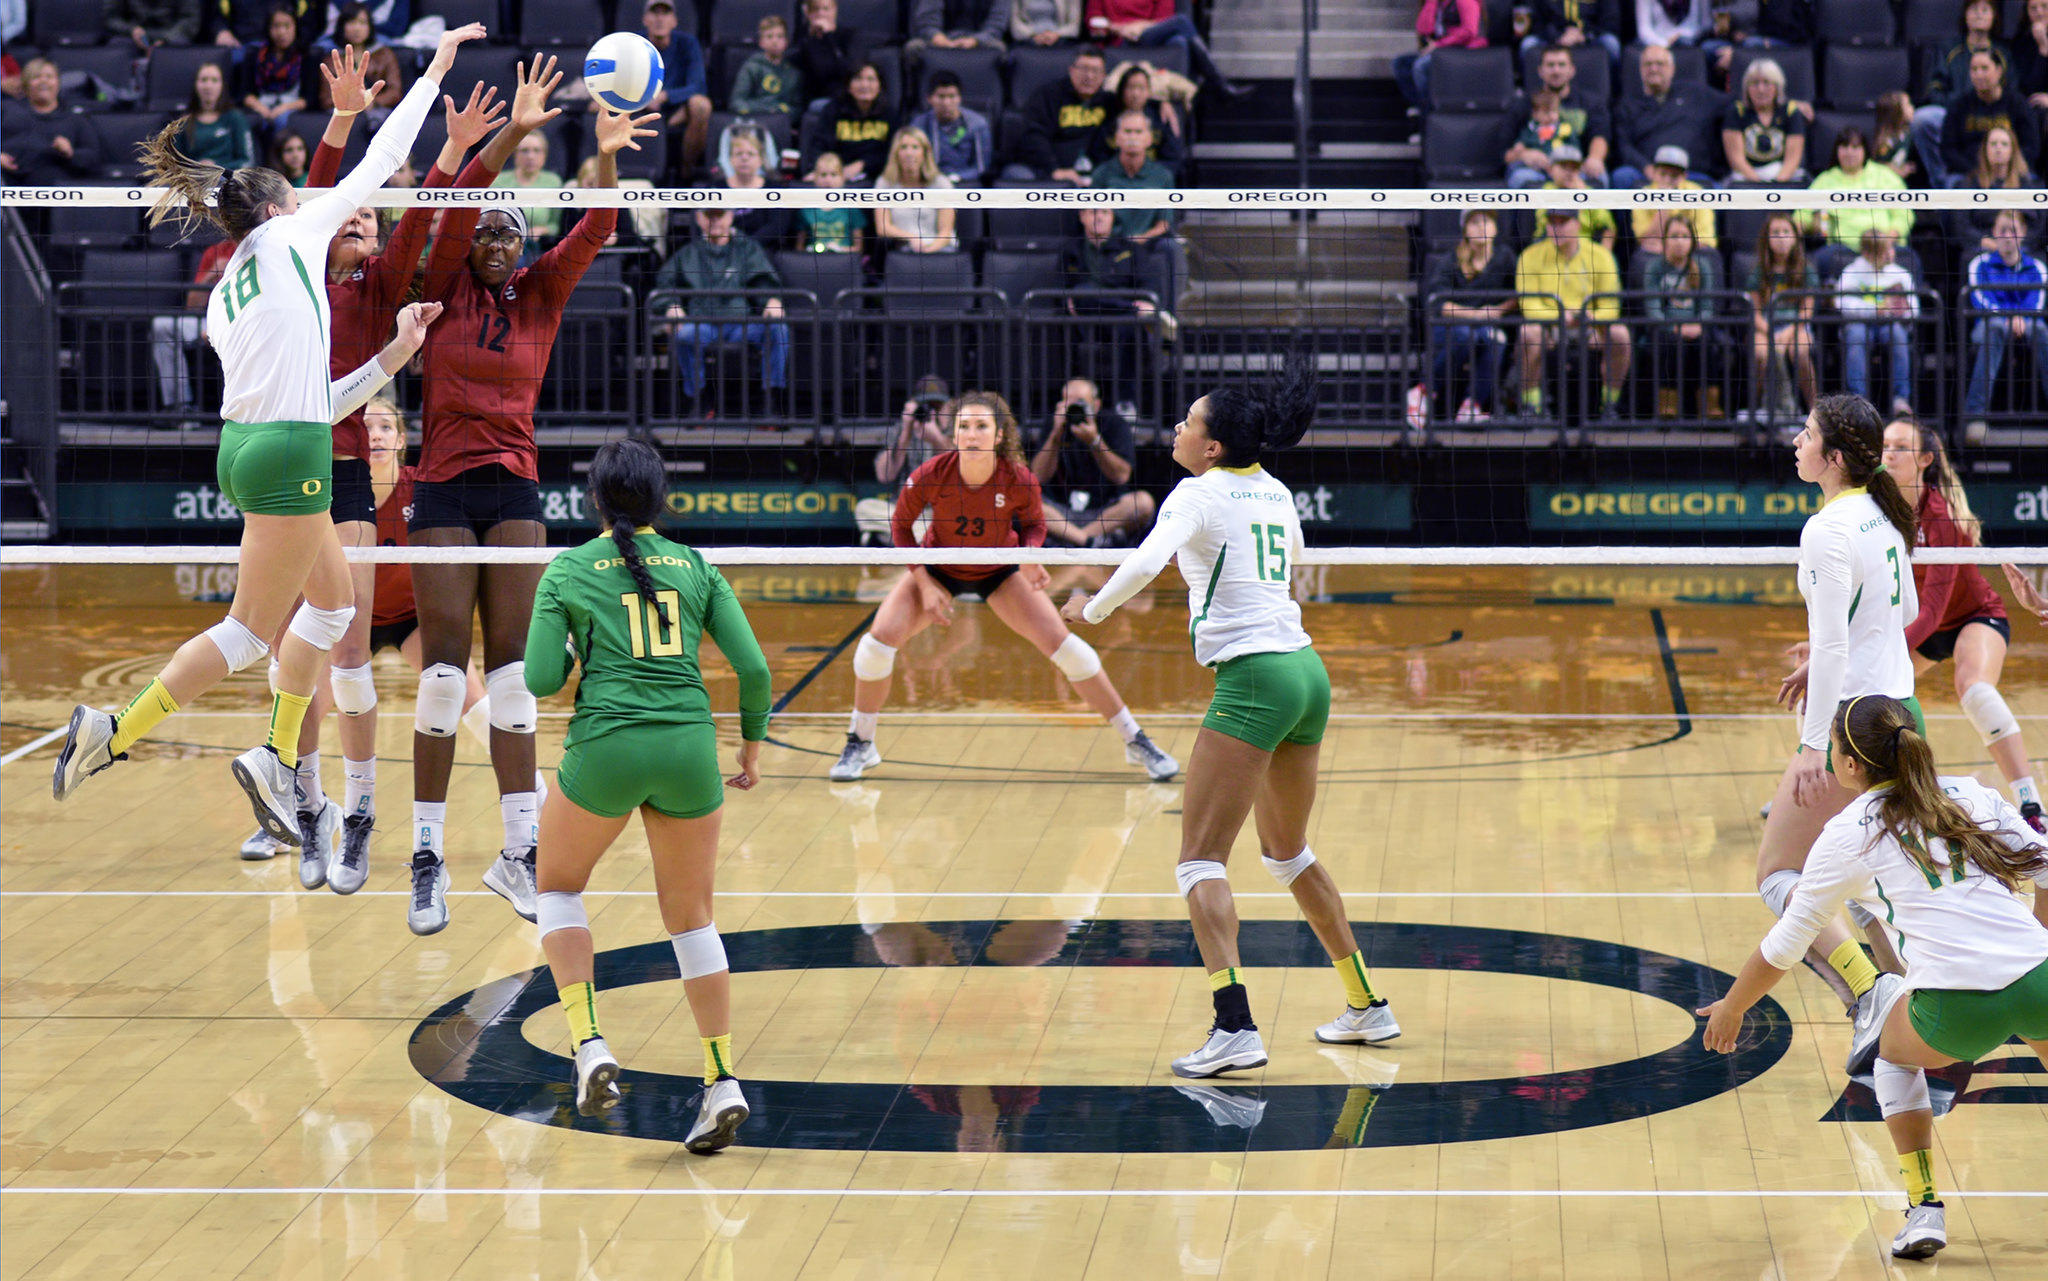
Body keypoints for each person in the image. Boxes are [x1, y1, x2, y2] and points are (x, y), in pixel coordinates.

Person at [51, 24, 484, 842]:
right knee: (253, 629)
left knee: (326, 609)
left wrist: (392, 353)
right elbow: (381, 155)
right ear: (283, 204)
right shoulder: (297, 233)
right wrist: (433, 72)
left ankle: (272, 760)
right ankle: (118, 733)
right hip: (291, 450)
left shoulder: (223, 291)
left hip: (248, 447)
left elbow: (309, 397)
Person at [1058, 356, 1398, 1077]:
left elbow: (1146, 563)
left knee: (1198, 857)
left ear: (1211, 446)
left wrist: (1088, 610)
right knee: (1287, 852)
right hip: (1307, 672)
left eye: (1189, 421)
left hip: (1256, 679)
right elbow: (1292, 556)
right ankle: (1367, 1004)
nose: (1178, 427)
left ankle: (1234, 1025)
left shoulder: (1197, 491)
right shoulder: (1273, 487)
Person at [406, 57, 657, 935]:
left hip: (513, 488)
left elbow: (596, 222)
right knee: (443, 679)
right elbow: (455, 205)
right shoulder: (442, 286)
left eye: (513, 234)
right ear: (472, 241)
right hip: (439, 489)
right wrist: (509, 132)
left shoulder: (544, 292)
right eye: (488, 234)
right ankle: (425, 854)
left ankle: (520, 853)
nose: (499, 244)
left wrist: (606, 151)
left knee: (512, 683)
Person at [1699, 693, 2048, 1261]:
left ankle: (1924, 1208)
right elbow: (2043, 860)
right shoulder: (1967, 791)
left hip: (1956, 1005)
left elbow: (1788, 941)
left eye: (1834, 747)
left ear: (1851, 764)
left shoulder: (1850, 830)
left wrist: (1735, 1006)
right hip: (2042, 979)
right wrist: (2038, 940)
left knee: (1894, 1058)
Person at [273, 62, 508, 889]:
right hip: (275, 461)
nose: (366, 217)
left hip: (335, 473)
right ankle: (307, 806)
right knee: (281, 657)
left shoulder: (378, 288)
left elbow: (422, 216)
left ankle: (361, 808)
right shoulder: (296, 266)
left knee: (344, 653)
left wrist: (452, 153)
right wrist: (340, 123)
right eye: (355, 212)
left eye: (373, 215)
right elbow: (324, 189)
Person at [525, 438, 772, 1151]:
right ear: (662, 498)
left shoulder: (568, 569)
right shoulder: (696, 565)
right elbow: (753, 670)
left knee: (557, 887)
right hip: (689, 748)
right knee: (693, 920)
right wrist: (749, 747)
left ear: (596, 500)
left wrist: (573, 646)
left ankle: (589, 1042)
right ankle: (721, 1079)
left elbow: (541, 679)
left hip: (607, 746)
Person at [830, 391, 1179, 784]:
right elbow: (899, 528)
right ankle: (861, 742)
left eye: (982, 426)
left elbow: (1034, 526)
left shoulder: (1017, 478)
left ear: (998, 435)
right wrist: (925, 583)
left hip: (998, 571)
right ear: (954, 432)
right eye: (964, 426)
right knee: (874, 647)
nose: (972, 434)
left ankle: (1136, 740)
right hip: (939, 567)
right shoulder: (931, 473)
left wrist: (1030, 556)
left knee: (1071, 652)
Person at [1757, 393, 1921, 1066]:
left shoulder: (1826, 528)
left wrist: (1810, 747)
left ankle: (1871, 994)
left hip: (1851, 724)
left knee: (1777, 875)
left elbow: (1828, 648)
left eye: (1806, 434)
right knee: (1876, 876)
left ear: (1831, 458)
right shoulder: (1882, 514)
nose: (1795, 442)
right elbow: (1903, 607)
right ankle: (1917, 1015)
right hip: (1900, 713)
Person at [1881, 417, 2045, 830]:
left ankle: (2031, 807)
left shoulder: (1940, 516)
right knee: (1866, 692)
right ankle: (1818, 796)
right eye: (1884, 446)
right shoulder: (1877, 510)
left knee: (1973, 689)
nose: (1888, 454)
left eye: (1900, 447)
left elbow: (1935, 609)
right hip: (1922, 626)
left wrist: (1881, 651)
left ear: (1924, 460)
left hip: (1975, 617)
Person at [655, 209, 790, 410]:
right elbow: (665, 284)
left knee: (778, 330)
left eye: (720, 215)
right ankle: (697, 400)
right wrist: (670, 306)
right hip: (702, 323)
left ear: (731, 216)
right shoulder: (687, 252)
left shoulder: (748, 248)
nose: (715, 220)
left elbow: (764, 281)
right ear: (699, 217)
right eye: (709, 215)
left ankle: (772, 399)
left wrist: (771, 300)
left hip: (741, 324)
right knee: (684, 335)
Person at [1514, 208, 1627, 418]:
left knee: (1620, 334)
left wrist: (1590, 318)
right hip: (1550, 326)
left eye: (1562, 222)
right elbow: (1528, 304)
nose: (1555, 228)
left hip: (1589, 326)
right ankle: (1532, 405)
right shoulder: (1529, 256)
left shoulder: (1600, 255)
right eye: (1551, 223)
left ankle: (1609, 404)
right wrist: (1558, 317)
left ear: (1577, 224)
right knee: (1529, 333)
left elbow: (1611, 305)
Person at [1417, 208, 1514, 426]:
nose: (1481, 227)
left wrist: (1499, 310)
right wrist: (1476, 314)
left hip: (1485, 328)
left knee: (1496, 338)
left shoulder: (1505, 257)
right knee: (1464, 335)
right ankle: (1423, 392)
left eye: (1487, 221)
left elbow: (1517, 295)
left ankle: (1472, 405)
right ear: (1465, 230)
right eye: (1475, 222)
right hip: (1450, 326)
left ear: (1496, 228)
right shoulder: (1451, 260)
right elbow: (1437, 302)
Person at [1032, 377, 1155, 546]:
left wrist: (1095, 441)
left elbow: (1122, 476)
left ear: (1096, 405)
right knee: (1024, 499)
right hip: (1060, 514)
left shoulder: (1113, 424)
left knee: (1142, 502)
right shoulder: (1054, 423)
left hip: (1103, 515)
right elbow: (1037, 477)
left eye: (1080, 402)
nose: (1073, 408)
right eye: (1068, 401)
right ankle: (1085, 542)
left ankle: (1074, 540)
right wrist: (1055, 436)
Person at [1964, 211, 2048, 431]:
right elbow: (1979, 299)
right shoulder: (1979, 264)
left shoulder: (2037, 266)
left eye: (2013, 230)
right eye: (2003, 230)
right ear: (1994, 233)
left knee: (2042, 331)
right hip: (1989, 323)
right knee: (1995, 329)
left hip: (2027, 322)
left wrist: (2021, 317)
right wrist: (2007, 317)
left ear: (2023, 234)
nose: (2008, 236)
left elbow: (2037, 302)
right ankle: (1975, 416)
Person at [1089, 109, 1181, 305]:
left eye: (1138, 132)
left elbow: (1165, 223)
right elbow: (1091, 215)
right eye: (1127, 131)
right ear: (1117, 137)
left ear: (1149, 138)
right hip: (1110, 244)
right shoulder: (1102, 174)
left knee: (1171, 248)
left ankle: (1168, 318)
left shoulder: (1162, 176)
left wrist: (1140, 239)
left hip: (1147, 242)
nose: (1133, 137)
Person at [1638, 217, 1724, 418]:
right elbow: (1653, 308)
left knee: (1705, 342)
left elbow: (1708, 305)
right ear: (1664, 240)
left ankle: (1710, 407)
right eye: (1674, 236)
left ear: (1692, 241)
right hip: (1665, 328)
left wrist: (1698, 325)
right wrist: (1674, 327)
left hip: (1697, 327)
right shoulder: (1654, 267)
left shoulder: (1702, 265)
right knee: (1668, 342)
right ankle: (1667, 408)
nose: (1679, 241)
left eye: (1684, 236)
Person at [1611, 45, 1724, 190]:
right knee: (1622, 177)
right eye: (1648, 64)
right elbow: (1623, 145)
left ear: (1672, 68)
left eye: (1660, 64)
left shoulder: (1695, 93)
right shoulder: (1627, 104)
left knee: (1718, 191)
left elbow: (1732, 105)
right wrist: (1646, 167)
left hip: (1690, 174)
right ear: (1640, 70)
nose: (1653, 69)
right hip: (1646, 173)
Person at [1741, 211, 1816, 424]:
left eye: (1786, 232)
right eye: (1775, 232)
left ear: (1794, 237)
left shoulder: (1806, 270)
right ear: (1767, 239)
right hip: (1765, 326)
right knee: (1762, 353)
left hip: (1795, 326)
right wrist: (1770, 332)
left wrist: (1789, 331)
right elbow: (1753, 311)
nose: (1781, 237)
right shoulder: (1759, 271)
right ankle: (1756, 410)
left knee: (1800, 350)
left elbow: (1806, 311)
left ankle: (1814, 409)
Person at [1836, 228, 1919, 420]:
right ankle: (1858, 401)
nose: (1890, 254)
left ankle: (1900, 399)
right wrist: (1874, 310)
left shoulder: (1900, 274)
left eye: (1890, 249)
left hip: (1890, 324)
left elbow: (1915, 308)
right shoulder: (1851, 272)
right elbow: (1842, 303)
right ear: (1867, 253)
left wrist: (1897, 312)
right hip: (1860, 324)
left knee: (1897, 334)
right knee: (1856, 335)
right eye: (1884, 251)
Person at [1083, 0, 1248, 97]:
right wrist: (1119, 28)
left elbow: (1166, 19)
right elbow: (1092, 20)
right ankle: (1217, 83)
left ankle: (1188, 96)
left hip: (1150, 36)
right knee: (1182, 24)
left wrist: (1140, 26)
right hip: (1121, 41)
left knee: (1180, 40)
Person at [1804, 128, 1912, 271]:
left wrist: (1886, 241)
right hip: (1842, 252)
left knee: (1911, 259)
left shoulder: (1886, 176)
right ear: (1837, 150)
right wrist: (1814, 223)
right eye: (1844, 147)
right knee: (1816, 261)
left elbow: (1904, 216)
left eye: (1855, 147)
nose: (1849, 152)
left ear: (1864, 150)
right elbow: (1802, 216)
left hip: (1886, 248)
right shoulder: (1824, 180)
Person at [1009, 45, 1114, 182]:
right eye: (1084, 69)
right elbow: (1034, 135)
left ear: (1104, 76)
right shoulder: (1049, 95)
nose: (1089, 76)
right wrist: (1054, 170)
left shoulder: (1110, 101)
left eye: (1096, 71)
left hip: (1093, 173)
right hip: (1046, 170)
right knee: (1019, 176)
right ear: (1071, 70)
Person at [1937, 50, 2038, 191]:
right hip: (1969, 172)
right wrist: (1978, 170)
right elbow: (1948, 150)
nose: (1978, 75)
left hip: (2011, 172)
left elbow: (2031, 146)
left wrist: (2008, 168)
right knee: (1952, 186)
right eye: (1974, 69)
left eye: (1984, 68)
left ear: (1999, 70)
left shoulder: (2017, 103)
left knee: (2033, 186)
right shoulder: (1959, 105)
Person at [1518, 44, 1611, 184]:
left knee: (1599, 177)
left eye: (1561, 65)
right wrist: (1523, 154)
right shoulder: (1524, 103)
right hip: (1536, 169)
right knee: (1521, 178)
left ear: (1572, 70)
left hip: (1576, 167)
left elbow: (1600, 135)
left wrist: (1595, 158)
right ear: (1540, 71)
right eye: (1550, 65)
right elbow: (1506, 147)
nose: (1556, 71)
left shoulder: (1591, 102)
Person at [0, 59, 101, 185]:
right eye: (36, 77)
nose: (43, 81)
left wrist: (71, 153)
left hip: (55, 191)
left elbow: (93, 158)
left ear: (58, 84)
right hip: (7, 185)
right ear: (25, 85)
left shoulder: (75, 119)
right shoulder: (6, 110)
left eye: (49, 77)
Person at [641, 0, 711, 175]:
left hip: (677, 110)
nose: (660, 19)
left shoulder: (688, 43)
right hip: (639, 105)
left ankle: (686, 172)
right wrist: (646, 98)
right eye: (654, 13)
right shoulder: (635, 43)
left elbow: (698, 86)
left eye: (665, 13)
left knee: (701, 105)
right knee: (599, 104)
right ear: (645, 20)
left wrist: (665, 96)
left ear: (674, 21)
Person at [1950, 124, 2039, 255]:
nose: (1998, 148)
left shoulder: (2028, 184)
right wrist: (1984, 241)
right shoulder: (1969, 184)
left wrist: (2017, 242)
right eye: (1993, 144)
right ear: (1985, 150)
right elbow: (1961, 225)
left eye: (2004, 144)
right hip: (1982, 248)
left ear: (2012, 150)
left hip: (2021, 247)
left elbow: (2038, 225)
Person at [1720, 56, 1805, 183]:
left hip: (1781, 175)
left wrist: (1776, 185)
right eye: (1754, 83)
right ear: (1746, 88)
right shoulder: (1737, 111)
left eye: (1767, 83)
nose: (1761, 89)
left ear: (1777, 87)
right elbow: (1736, 160)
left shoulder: (1790, 111)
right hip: (1746, 177)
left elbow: (1793, 159)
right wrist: (1759, 185)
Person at [802, 62, 892, 183]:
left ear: (880, 85)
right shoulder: (833, 110)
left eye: (871, 79)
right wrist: (822, 171)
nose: (864, 85)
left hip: (876, 178)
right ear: (848, 86)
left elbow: (890, 153)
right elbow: (819, 145)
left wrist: (862, 165)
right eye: (858, 79)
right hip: (835, 178)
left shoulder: (890, 114)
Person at [874, 126, 957, 253]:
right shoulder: (885, 183)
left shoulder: (941, 183)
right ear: (895, 153)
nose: (909, 153)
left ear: (924, 152)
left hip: (939, 249)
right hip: (902, 248)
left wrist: (928, 250)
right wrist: (912, 238)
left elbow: (945, 232)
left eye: (915, 147)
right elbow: (883, 227)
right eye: (903, 147)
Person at [237, 4, 316, 137]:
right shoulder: (255, 54)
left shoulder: (306, 56)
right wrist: (262, 109)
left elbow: (309, 99)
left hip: (290, 107)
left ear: (295, 27)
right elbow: (245, 94)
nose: (281, 32)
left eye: (287, 26)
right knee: (251, 120)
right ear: (268, 28)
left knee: (281, 120)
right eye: (276, 26)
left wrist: (283, 108)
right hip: (261, 106)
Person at [1391, 0, 1484, 112]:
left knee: (1421, 66)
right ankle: (1419, 105)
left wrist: (1439, 44)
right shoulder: (1439, 4)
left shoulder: (1464, 2)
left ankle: (1430, 110)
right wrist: (1431, 3)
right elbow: (1423, 29)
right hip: (1442, 50)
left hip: (1463, 50)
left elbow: (1469, 31)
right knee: (1401, 63)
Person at [908, 70, 994, 185]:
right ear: (929, 99)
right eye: (941, 96)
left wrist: (956, 177)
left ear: (960, 98)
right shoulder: (919, 125)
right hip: (930, 181)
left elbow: (982, 166)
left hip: (967, 182)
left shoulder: (978, 124)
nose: (946, 103)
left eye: (952, 96)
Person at [315, 2, 402, 114]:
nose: (357, 28)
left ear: (370, 27)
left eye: (362, 23)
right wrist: (350, 104)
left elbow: (394, 91)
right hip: (343, 111)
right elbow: (326, 99)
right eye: (351, 22)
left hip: (377, 110)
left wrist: (372, 102)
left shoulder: (384, 54)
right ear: (342, 26)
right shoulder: (332, 58)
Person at [1628, 145, 1716, 254]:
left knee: (1709, 255)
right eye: (1663, 174)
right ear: (1654, 173)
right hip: (1656, 254)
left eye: (1674, 175)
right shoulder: (1642, 195)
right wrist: (1665, 205)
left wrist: (1672, 250)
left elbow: (1705, 240)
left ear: (1684, 176)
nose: (1667, 180)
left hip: (1690, 253)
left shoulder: (1697, 193)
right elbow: (1644, 241)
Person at [491, 130, 564, 248]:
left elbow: (555, 225)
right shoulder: (498, 181)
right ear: (515, 154)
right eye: (524, 151)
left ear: (544, 155)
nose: (531, 156)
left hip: (539, 246)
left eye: (537, 150)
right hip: (503, 243)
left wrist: (544, 230)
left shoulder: (553, 182)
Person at [1106, 63, 1182, 174]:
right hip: (1116, 178)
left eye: (1141, 88)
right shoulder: (1109, 115)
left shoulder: (1161, 116)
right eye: (1130, 87)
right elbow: (1100, 156)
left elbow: (1173, 158)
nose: (1135, 94)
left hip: (1153, 180)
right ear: (1122, 90)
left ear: (1149, 92)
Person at [1535, 143, 1615, 249]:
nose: (1569, 173)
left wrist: (1603, 257)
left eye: (1574, 168)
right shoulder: (1545, 190)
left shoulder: (1588, 192)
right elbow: (1546, 224)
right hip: (1549, 246)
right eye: (1563, 167)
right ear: (1550, 169)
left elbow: (1608, 228)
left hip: (1585, 249)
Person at [179, 61, 255, 171]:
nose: (208, 86)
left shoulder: (236, 118)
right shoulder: (183, 122)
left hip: (229, 183)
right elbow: (175, 162)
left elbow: (247, 161)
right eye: (204, 80)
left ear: (222, 85)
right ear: (195, 84)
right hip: (193, 182)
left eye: (214, 80)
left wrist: (218, 168)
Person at [729, 14, 804, 118]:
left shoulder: (793, 74)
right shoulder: (751, 67)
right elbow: (736, 102)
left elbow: (796, 108)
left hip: (780, 123)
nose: (775, 41)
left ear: (786, 42)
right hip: (753, 120)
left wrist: (784, 115)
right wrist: (767, 110)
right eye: (769, 36)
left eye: (780, 36)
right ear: (761, 42)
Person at [1519, 0, 1620, 76]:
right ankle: (1529, 93)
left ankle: (1614, 92)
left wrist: (1585, 35)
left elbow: (1610, 19)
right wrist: (1558, 36)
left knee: (1611, 43)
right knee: (1528, 44)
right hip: (1554, 36)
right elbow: (1537, 20)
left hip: (1589, 35)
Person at [798, 151, 866, 250]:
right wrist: (810, 249)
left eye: (834, 174)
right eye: (823, 175)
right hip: (813, 259)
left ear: (842, 177)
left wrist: (840, 250)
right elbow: (799, 248)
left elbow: (859, 248)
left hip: (843, 260)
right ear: (815, 177)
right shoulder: (806, 209)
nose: (828, 180)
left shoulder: (851, 207)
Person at [908, 0, 1009, 53]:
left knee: (998, 48)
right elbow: (927, 19)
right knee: (914, 47)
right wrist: (938, 38)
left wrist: (975, 40)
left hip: (980, 41)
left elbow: (996, 23)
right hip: (939, 40)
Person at [106, 0, 200, 48]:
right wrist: (131, 30)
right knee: (117, 45)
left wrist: (166, 39)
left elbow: (190, 19)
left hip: (169, 35)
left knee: (180, 45)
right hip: (134, 37)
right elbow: (110, 18)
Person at [1012, 0, 1080, 44]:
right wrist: (1032, 34)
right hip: (1026, 39)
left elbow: (1074, 25)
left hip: (1063, 40)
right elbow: (1015, 22)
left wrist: (1057, 34)